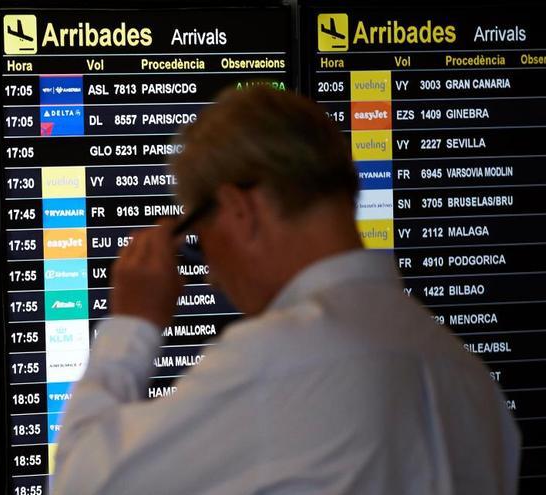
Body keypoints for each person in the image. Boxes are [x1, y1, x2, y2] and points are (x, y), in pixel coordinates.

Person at [51, 87, 520, 494]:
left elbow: (80, 483)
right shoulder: (467, 377)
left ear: (239, 209)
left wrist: (133, 322)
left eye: (198, 233)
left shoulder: (276, 360)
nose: (209, 272)